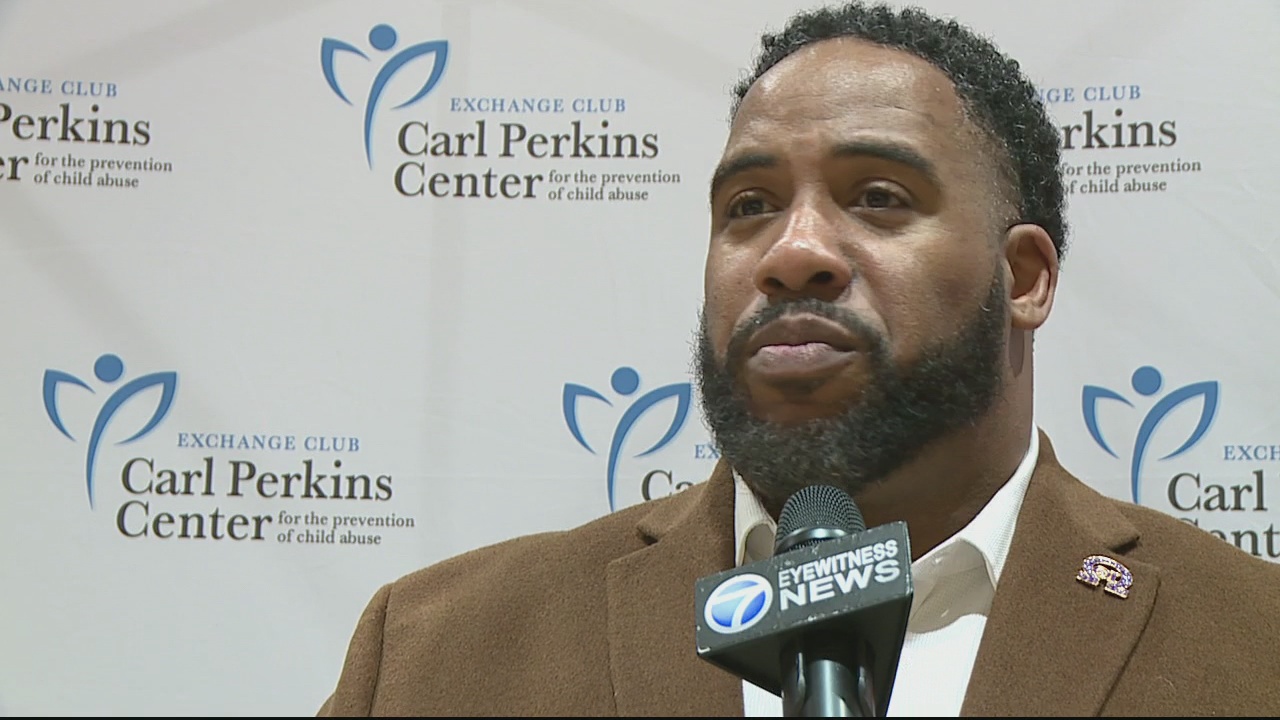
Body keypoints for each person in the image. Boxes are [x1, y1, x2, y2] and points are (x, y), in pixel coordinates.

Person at [317, 2, 1280, 716]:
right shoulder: (433, 653)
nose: (793, 252)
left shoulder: (1253, 643)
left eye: (878, 197)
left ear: (1023, 277)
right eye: (749, 207)